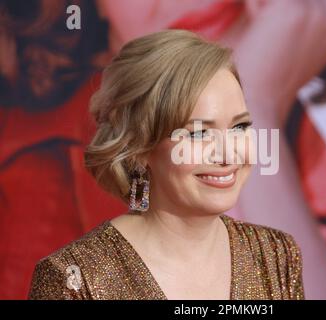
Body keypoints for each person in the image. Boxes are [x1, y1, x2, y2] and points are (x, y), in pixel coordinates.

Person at [28, 29, 305, 300]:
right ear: (138, 147)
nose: (228, 154)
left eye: (239, 127)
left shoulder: (276, 254)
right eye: (198, 133)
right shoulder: (74, 279)